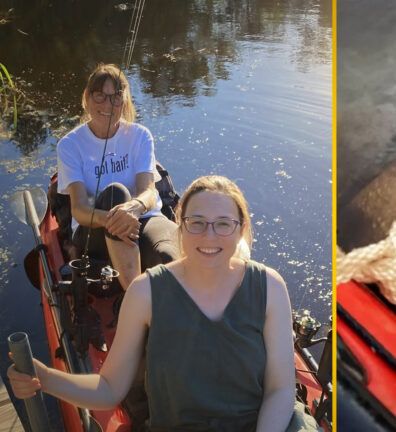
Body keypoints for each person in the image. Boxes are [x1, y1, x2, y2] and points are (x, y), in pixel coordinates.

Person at [7, 175, 313, 432]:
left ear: (241, 229)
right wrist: (46, 380)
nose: (209, 236)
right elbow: (110, 388)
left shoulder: (270, 287)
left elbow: (281, 389)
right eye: (197, 223)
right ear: (180, 225)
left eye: (223, 224)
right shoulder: (146, 292)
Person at [57, 62, 178, 289]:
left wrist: (133, 208)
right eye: (100, 96)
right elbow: (80, 210)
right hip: (94, 231)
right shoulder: (70, 145)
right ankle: (135, 296)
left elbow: (149, 193)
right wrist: (117, 217)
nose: (108, 105)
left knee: (168, 257)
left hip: (144, 220)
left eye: (116, 97)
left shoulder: (140, 135)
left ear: (125, 102)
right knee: (115, 194)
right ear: (87, 97)